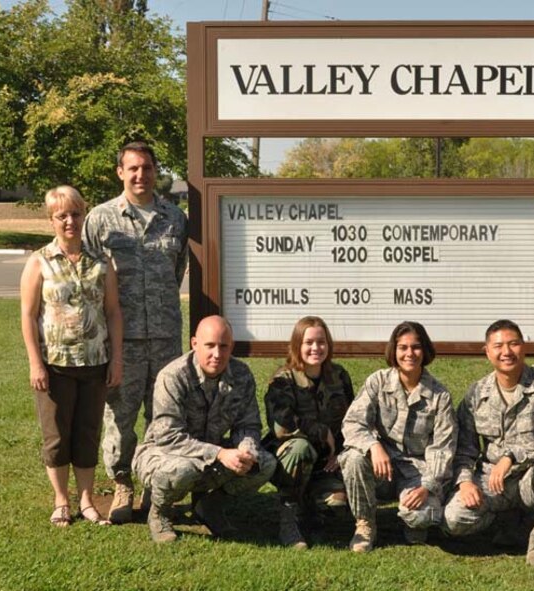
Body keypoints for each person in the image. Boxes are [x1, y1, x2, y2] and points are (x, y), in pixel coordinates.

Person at [83, 140, 189, 523]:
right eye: (133, 168)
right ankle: (123, 483)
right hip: (120, 340)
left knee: (163, 413)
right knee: (120, 416)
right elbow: (90, 281)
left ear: (156, 170)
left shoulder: (175, 218)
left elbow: (177, 272)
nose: (140, 175)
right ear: (120, 172)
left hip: (165, 338)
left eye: (147, 168)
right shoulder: (100, 219)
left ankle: (154, 483)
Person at [20, 185, 123, 527]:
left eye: (76, 214)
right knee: (57, 435)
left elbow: (112, 313)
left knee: (88, 431)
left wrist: (116, 359)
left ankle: (87, 500)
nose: (70, 221)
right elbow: (27, 314)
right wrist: (35, 362)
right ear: (51, 220)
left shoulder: (101, 261)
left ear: (84, 215)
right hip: (54, 366)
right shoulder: (39, 262)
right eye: (61, 215)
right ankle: (61, 500)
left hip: (95, 363)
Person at [442, 320, 534, 566]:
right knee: (454, 519)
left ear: (523, 347)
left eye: (513, 344)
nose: (506, 352)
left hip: (531, 477)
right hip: (493, 480)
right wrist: (464, 483)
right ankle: (508, 522)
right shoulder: (477, 393)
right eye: (499, 346)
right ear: (487, 351)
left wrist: (513, 455)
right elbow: (464, 450)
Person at [132, 316, 276, 543]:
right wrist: (219, 453)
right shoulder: (173, 376)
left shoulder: (241, 375)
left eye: (223, 346)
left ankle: (210, 507)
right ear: (194, 344)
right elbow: (168, 437)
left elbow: (248, 424)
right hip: (163, 454)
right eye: (209, 346)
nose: (217, 354)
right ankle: (159, 512)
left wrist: (245, 450)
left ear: (232, 347)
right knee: (182, 468)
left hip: (213, 453)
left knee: (264, 464)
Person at [339, 321, 457, 552]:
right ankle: (365, 525)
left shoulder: (439, 395)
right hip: (382, 467)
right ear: (394, 350)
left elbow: (443, 449)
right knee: (352, 458)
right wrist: (373, 446)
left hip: (418, 471)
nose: (409, 353)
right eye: (403, 347)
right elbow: (353, 422)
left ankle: (412, 520)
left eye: (416, 347)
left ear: (425, 351)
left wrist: (427, 487)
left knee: (421, 516)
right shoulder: (378, 382)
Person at [264, 316, 354, 549]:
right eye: (309, 342)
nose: (316, 348)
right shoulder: (283, 379)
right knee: (301, 448)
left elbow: (352, 420)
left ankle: (311, 506)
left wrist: (341, 451)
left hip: (328, 461)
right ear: (297, 345)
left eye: (321, 342)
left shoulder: (339, 376)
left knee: (337, 505)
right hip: (290, 459)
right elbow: (281, 426)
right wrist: (321, 432)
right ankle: (288, 516)